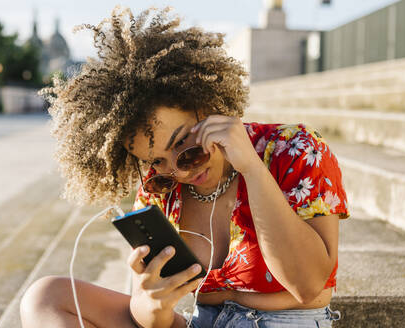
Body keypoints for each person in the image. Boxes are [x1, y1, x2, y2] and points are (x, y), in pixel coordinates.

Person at [20, 5, 349, 328]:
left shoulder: (293, 149)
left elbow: (307, 286)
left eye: (183, 145)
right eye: (157, 161)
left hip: (283, 321)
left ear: (207, 106)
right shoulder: (160, 189)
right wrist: (153, 303)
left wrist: (252, 168)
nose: (179, 171)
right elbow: (151, 321)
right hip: (201, 321)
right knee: (46, 297)